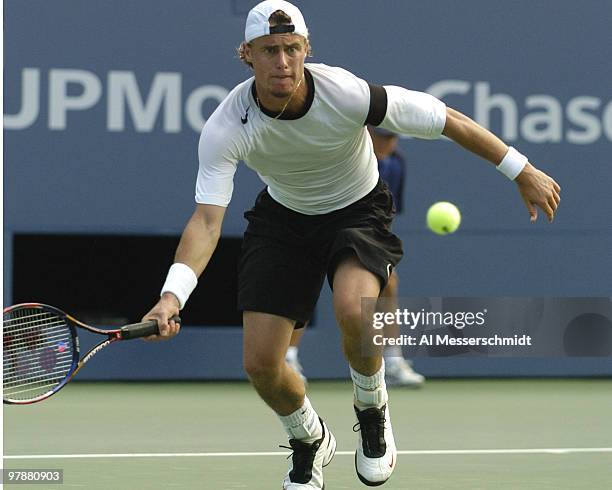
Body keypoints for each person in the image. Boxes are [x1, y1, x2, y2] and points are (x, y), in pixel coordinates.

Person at [142, 1, 561, 488]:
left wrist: (521, 169)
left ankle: (371, 405)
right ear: (247, 55)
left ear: (306, 50)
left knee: (355, 309)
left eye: (292, 49)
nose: (282, 61)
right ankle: (308, 439)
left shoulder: (347, 93)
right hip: (283, 221)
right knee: (260, 363)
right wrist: (172, 297)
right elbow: (207, 221)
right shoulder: (225, 126)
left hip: (357, 210)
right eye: (270, 50)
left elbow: (445, 118)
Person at [285, 126, 425, 388]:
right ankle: (288, 358)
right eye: (383, 138)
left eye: (393, 138)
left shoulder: (397, 163)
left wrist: (379, 254)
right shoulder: (346, 157)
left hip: (362, 234)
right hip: (320, 225)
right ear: (368, 134)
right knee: (306, 277)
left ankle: (392, 360)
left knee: (389, 281)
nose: (388, 144)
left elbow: (386, 214)